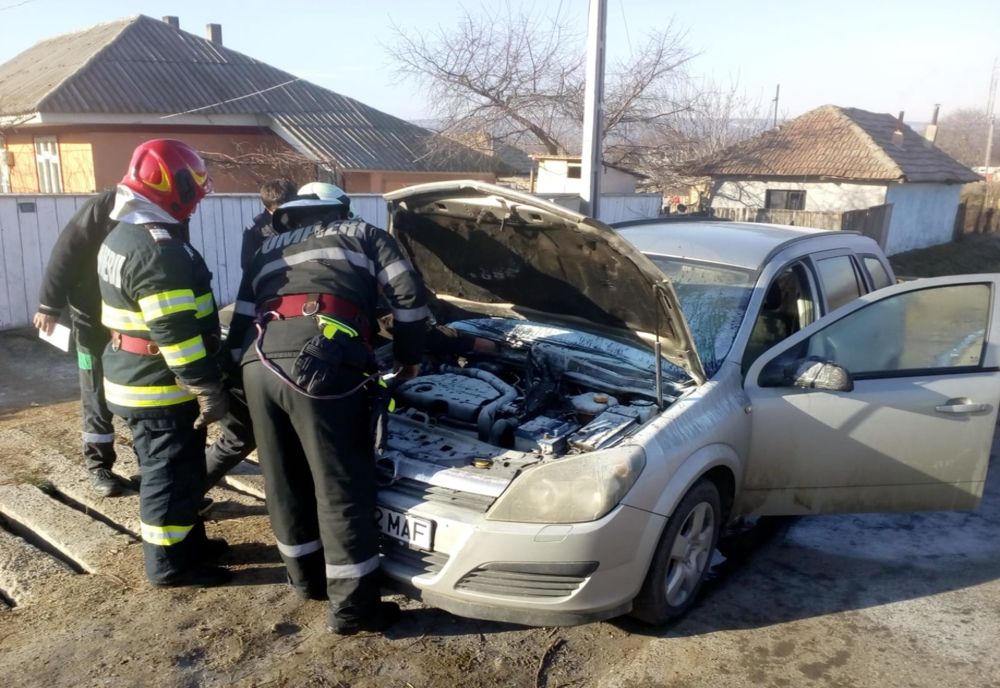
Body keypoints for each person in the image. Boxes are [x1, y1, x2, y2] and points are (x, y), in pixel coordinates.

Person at [227, 182, 428, 634]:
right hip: (322, 364)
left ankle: (306, 581)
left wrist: (236, 378)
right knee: (339, 485)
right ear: (339, 210)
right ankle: (354, 609)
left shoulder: (266, 249)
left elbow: (241, 316)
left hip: (258, 364)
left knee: (283, 479)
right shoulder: (365, 235)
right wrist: (408, 356)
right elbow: (409, 297)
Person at [98, 139, 231, 587]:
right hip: (159, 386)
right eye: (194, 187)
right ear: (175, 186)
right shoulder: (159, 250)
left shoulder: (124, 234)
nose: (197, 199)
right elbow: (175, 331)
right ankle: (170, 565)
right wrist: (206, 386)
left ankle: (190, 545)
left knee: (183, 469)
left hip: (139, 377)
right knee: (167, 475)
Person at [33, 190, 122, 497]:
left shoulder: (164, 210)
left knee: (140, 393)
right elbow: (65, 252)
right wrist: (49, 305)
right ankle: (99, 465)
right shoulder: (104, 205)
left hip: (132, 321)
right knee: (95, 388)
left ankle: (150, 462)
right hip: (90, 321)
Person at [240, 178, 297, 270]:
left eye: (289, 207)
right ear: (266, 206)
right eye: (278, 210)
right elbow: (247, 265)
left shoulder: (303, 221)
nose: (285, 213)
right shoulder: (256, 228)